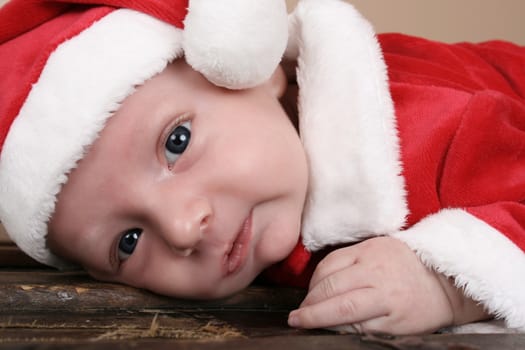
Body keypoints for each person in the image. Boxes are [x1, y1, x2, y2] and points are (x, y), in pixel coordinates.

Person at [1, 0, 524, 335]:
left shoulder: (432, 129)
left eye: (176, 143)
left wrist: (447, 280)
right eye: (127, 242)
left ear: (257, 71)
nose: (183, 228)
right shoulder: (260, 200)